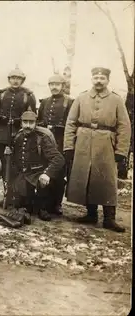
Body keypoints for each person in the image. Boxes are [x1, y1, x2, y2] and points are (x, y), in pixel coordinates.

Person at [63, 67, 131, 232]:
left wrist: (121, 151)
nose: (99, 80)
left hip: (106, 143)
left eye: (102, 78)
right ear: (91, 79)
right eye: (96, 77)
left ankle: (109, 218)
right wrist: (69, 146)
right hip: (83, 142)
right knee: (87, 177)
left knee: (107, 180)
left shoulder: (116, 100)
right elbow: (70, 123)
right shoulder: (81, 97)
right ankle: (91, 214)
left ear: (107, 80)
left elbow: (124, 126)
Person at [7, 111, 65, 221]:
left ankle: (43, 208)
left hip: (38, 175)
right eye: (25, 122)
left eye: (31, 122)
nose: (28, 126)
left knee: (41, 193)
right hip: (24, 175)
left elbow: (59, 159)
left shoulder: (42, 138)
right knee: (16, 203)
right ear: (21, 123)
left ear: (36, 123)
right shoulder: (18, 137)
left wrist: (47, 174)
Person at [0, 68, 37, 201]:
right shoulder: (2, 94)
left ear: (22, 80)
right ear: (9, 79)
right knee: (0, 163)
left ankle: (12, 194)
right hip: (2, 134)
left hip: (19, 134)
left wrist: (18, 121)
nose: (15, 81)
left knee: (14, 165)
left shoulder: (28, 95)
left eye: (18, 78)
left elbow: (32, 116)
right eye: (13, 78)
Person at [37, 74, 74, 214]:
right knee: (46, 170)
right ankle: (44, 204)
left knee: (59, 174)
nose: (54, 87)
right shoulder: (45, 102)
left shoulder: (69, 102)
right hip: (46, 141)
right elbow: (39, 120)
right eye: (51, 84)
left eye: (57, 84)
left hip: (61, 142)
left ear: (62, 86)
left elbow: (72, 124)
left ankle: (56, 204)